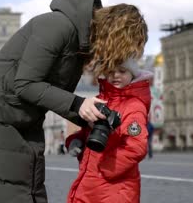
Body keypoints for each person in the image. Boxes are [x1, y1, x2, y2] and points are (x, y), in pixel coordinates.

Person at [0, 0, 148, 203]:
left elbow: (50, 94)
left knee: (26, 189)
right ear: (112, 36)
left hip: (24, 120)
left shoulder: (79, 46)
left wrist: (88, 117)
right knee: (0, 191)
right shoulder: (56, 26)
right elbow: (25, 84)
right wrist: (78, 104)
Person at [65, 58, 152, 203]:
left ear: (132, 74)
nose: (115, 75)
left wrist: (108, 167)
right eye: (110, 71)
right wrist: (76, 141)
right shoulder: (100, 100)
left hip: (116, 189)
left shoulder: (134, 106)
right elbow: (88, 131)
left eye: (122, 71)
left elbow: (136, 146)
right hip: (90, 185)